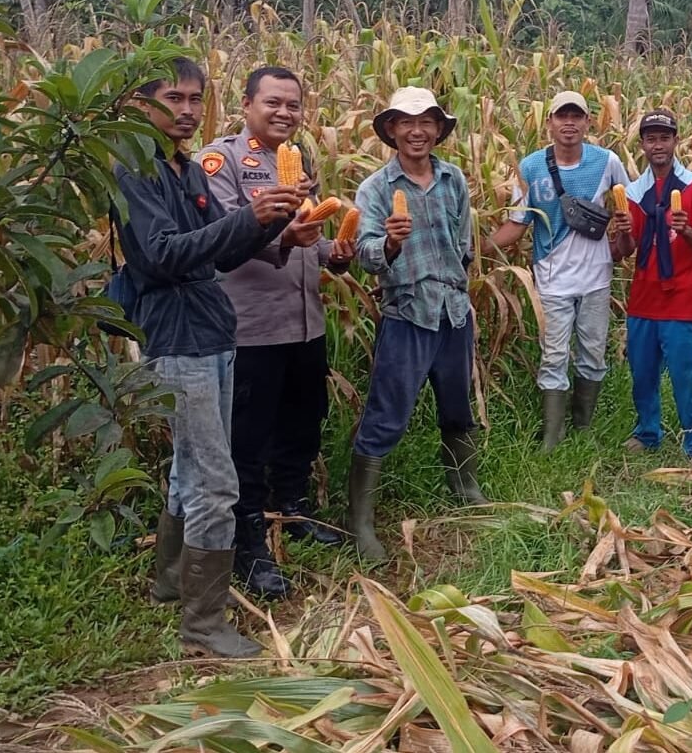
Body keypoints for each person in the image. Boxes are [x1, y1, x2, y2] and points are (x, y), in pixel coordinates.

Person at [114, 57, 305, 657]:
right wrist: (249, 216)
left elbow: (220, 254)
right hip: (178, 337)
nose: (188, 110)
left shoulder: (188, 169)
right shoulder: (134, 172)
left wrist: (269, 223)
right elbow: (162, 255)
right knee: (216, 482)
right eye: (174, 98)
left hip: (214, 332)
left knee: (188, 470)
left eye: (196, 99)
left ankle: (171, 583)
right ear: (141, 104)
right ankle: (204, 623)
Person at [195, 66, 354, 601]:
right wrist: (285, 238)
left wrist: (335, 253)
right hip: (252, 327)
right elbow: (223, 236)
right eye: (273, 103)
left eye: (294, 105)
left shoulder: (299, 161)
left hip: (303, 322)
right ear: (246, 105)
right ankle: (249, 542)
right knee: (249, 438)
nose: (285, 113)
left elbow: (309, 236)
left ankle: (294, 509)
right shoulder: (219, 162)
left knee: (301, 424)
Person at [345, 87, 485, 561]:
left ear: (439, 129)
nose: (417, 131)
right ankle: (360, 523)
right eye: (406, 122)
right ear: (391, 130)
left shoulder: (453, 178)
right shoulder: (377, 189)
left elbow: (464, 244)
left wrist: (457, 285)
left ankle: (463, 486)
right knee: (387, 416)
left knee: (457, 407)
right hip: (407, 313)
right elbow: (365, 255)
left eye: (426, 121)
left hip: (452, 311)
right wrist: (389, 244)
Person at [486, 91, 630, 450]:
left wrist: (625, 236)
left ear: (587, 122)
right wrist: (478, 247)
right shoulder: (531, 167)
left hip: (596, 277)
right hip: (551, 278)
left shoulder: (607, 161)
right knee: (553, 355)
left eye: (576, 116)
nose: (569, 123)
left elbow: (630, 208)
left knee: (593, 352)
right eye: (562, 116)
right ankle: (553, 435)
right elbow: (518, 223)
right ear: (549, 122)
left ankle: (583, 428)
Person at [616, 111, 692, 462]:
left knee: (687, 375)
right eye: (651, 139)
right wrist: (623, 230)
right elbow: (626, 250)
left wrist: (685, 228)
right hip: (643, 299)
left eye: (664, 138)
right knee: (642, 374)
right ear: (643, 145)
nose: (657, 145)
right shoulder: (634, 192)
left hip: (680, 299)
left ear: (676, 141)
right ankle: (647, 432)